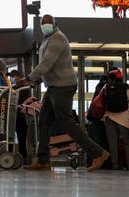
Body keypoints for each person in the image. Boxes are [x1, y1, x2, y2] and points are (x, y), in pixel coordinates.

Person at [24, 14, 109, 171]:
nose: (45, 25)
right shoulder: (47, 39)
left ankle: (98, 153)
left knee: (66, 122)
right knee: (44, 122)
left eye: (48, 23)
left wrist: (29, 78)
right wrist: (38, 79)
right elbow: (51, 67)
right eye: (43, 23)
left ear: (55, 24)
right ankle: (43, 160)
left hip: (63, 86)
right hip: (53, 86)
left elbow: (47, 63)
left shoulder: (57, 38)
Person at [103, 67, 129, 170]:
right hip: (123, 119)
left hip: (109, 117)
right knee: (127, 142)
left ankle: (115, 165)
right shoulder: (127, 87)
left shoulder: (106, 87)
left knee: (113, 143)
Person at [10, 69, 31, 163]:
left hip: (18, 116)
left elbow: (20, 102)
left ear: (17, 77)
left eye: (13, 76)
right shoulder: (19, 87)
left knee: (13, 137)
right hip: (20, 116)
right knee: (21, 138)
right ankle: (22, 156)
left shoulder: (22, 88)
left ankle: (16, 155)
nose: (12, 79)